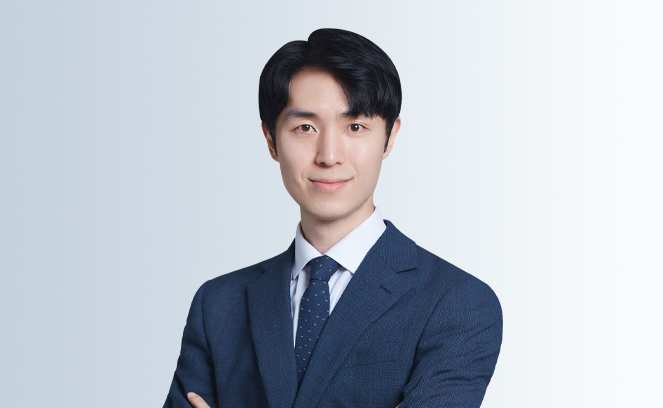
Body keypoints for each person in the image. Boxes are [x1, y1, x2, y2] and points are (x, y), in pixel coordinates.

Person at [164, 28, 502, 408]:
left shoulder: (457, 303)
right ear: (271, 140)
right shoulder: (218, 305)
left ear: (389, 137)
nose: (328, 155)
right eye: (305, 128)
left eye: (355, 127)